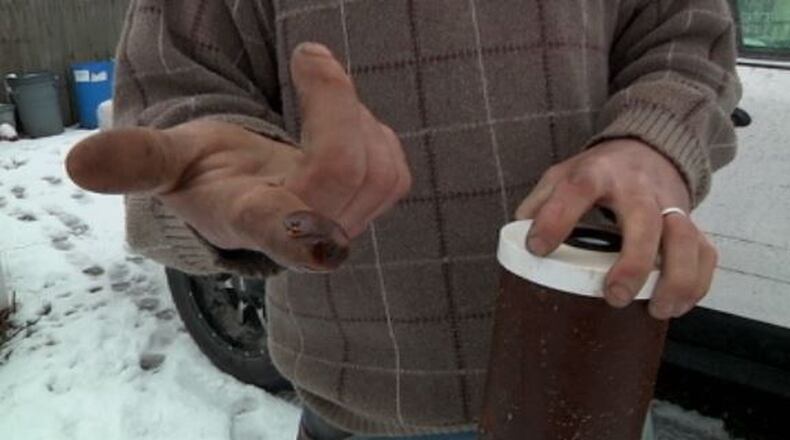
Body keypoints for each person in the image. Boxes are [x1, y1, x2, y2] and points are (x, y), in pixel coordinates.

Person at [65, 1, 741, 439]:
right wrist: (234, 189)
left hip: (596, 388)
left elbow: (686, 39)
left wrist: (649, 142)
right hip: (360, 414)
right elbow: (178, 88)